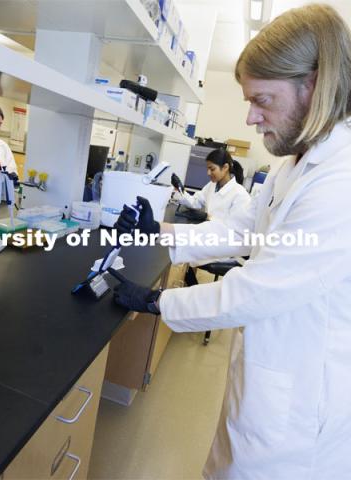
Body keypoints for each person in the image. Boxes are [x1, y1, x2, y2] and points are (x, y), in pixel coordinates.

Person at [112, 4, 351, 479]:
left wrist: (159, 301)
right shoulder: (295, 165)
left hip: (299, 415)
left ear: (316, 84)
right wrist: (159, 233)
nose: (249, 118)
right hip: (265, 379)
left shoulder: (340, 182)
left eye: (262, 100)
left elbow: (256, 290)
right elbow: (242, 231)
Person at [173, 148, 250, 221]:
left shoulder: (240, 194)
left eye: (212, 169)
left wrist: (208, 217)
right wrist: (180, 190)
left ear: (225, 167)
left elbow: (236, 226)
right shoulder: (212, 185)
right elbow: (195, 202)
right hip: (207, 230)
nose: (208, 173)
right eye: (208, 169)